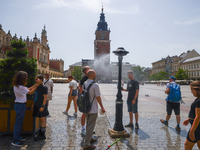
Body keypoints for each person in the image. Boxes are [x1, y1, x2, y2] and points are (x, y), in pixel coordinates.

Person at [11, 71, 39, 147]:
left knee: (19, 122)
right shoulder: (20, 87)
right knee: (18, 123)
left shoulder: (18, 86)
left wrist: (35, 84)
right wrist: (37, 85)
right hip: (20, 105)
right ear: (22, 79)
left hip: (19, 105)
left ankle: (18, 137)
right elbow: (30, 92)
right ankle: (15, 140)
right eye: (25, 77)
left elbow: (28, 89)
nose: (27, 78)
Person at [83, 69, 106, 150]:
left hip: (86, 108)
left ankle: (90, 138)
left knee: (88, 125)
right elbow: (98, 97)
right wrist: (102, 107)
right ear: (92, 75)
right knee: (90, 126)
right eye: (95, 74)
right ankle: (86, 145)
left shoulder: (84, 84)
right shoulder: (95, 85)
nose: (95, 75)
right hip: (93, 109)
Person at [183, 81, 200, 150]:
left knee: (187, 146)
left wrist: (192, 131)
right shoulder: (198, 99)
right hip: (198, 126)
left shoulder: (199, 101)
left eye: (191, 90)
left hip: (197, 127)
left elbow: (198, 117)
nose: (191, 92)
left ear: (196, 89)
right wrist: (189, 119)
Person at [32, 74, 49, 141]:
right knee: (39, 119)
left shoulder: (44, 87)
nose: (36, 80)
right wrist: (33, 104)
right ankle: (40, 132)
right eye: (35, 79)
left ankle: (42, 134)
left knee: (42, 119)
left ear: (41, 80)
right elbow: (35, 96)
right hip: (37, 105)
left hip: (41, 106)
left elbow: (45, 98)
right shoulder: (37, 86)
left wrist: (43, 106)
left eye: (37, 79)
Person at [79, 66, 90, 135]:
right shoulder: (83, 80)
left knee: (90, 114)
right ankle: (83, 128)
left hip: (90, 98)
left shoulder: (90, 78)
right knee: (84, 113)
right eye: (89, 69)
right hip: (85, 99)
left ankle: (89, 127)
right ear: (86, 71)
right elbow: (80, 90)